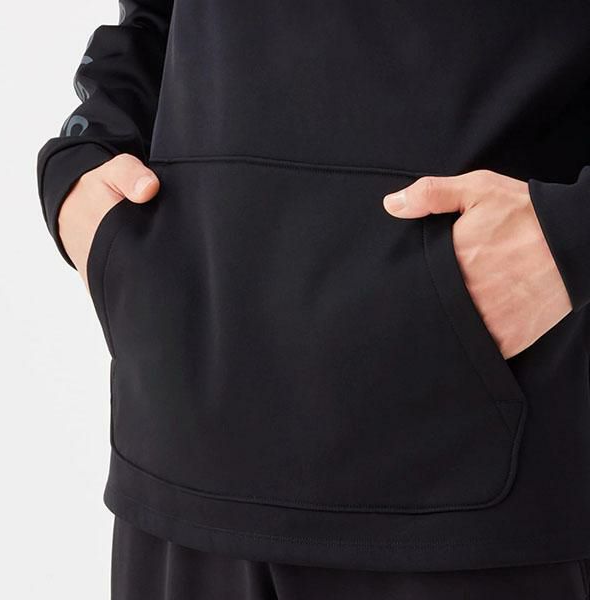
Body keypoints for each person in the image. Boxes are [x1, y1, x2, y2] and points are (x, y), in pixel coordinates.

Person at [37, 1, 590, 598]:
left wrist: (572, 232)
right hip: (185, 431)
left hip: (474, 468)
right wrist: (85, 153)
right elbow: (153, 17)